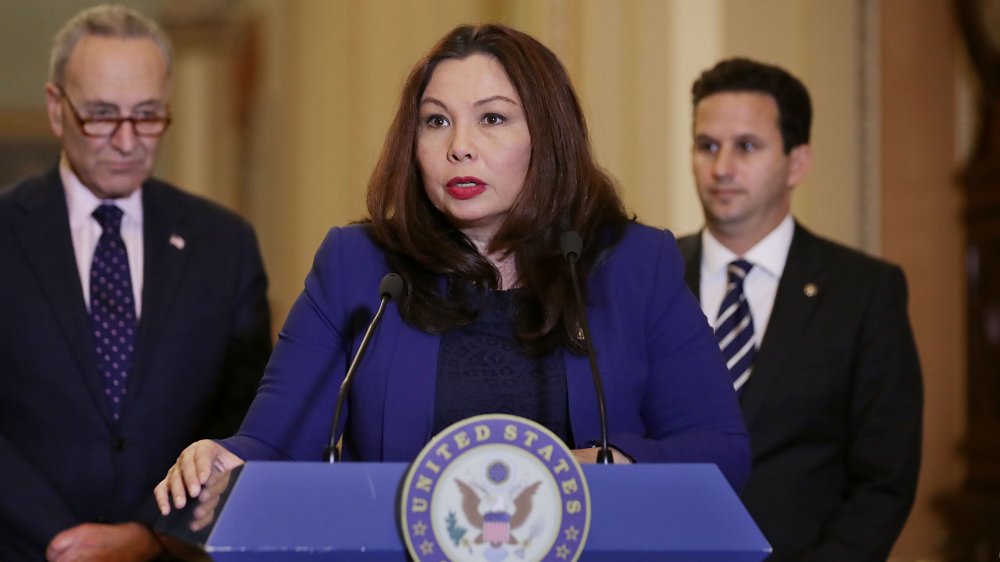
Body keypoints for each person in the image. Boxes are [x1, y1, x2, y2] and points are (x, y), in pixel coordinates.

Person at [155, 23, 751, 516]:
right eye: (436, 121)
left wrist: (611, 464)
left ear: (548, 137)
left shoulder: (632, 263)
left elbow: (721, 451)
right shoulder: (360, 267)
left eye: (492, 119)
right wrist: (222, 460)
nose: (458, 146)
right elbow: (274, 446)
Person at [0, 5, 272, 560]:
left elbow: (244, 420)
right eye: (101, 115)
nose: (127, 141)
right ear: (57, 109)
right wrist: (58, 538)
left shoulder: (224, 244)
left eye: (147, 115)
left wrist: (149, 537)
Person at [678, 57, 923, 561]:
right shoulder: (647, 276)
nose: (722, 167)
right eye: (707, 146)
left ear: (797, 163)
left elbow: (885, 476)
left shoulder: (865, 291)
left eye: (746, 146)